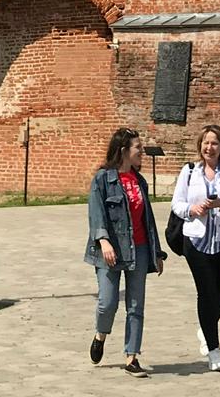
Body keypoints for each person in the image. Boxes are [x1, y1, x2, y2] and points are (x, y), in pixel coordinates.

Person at [170, 124, 220, 373]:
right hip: (196, 241)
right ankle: (214, 350)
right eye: (206, 143)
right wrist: (191, 210)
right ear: (200, 146)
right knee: (206, 293)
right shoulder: (189, 172)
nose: (210, 147)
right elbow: (177, 203)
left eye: (214, 143)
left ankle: (207, 327)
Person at [85, 126, 164, 376]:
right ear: (123, 151)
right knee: (107, 303)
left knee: (135, 304)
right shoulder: (102, 179)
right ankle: (100, 335)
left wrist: (157, 253)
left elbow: (147, 220)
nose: (142, 151)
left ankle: (131, 357)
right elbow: (96, 213)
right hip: (109, 250)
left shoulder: (140, 181)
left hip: (139, 249)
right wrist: (104, 241)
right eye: (137, 148)